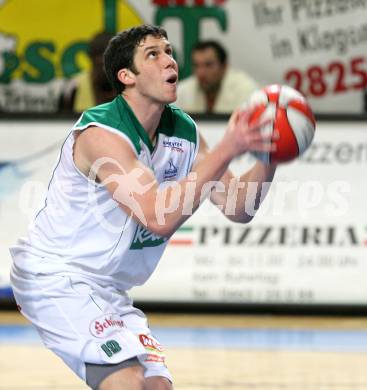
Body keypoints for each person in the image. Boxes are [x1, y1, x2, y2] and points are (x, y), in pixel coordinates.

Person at [10, 25, 277, 390]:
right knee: (127, 382)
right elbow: (157, 216)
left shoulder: (183, 131)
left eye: (169, 51)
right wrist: (230, 147)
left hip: (109, 291)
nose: (169, 59)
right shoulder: (101, 135)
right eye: (153, 54)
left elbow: (238, 206)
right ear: (127, 77)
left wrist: (270, 156)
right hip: (57, 277)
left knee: (155, 387)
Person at [176, 40, 258, 114]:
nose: (201, 73)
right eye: (196, 65)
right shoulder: (182, 91)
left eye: (208, 65)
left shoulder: (245, 90)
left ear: (224, 66)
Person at [60, 31, 116, 113]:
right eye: (97, 55)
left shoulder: (129, 86)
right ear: (90, 57)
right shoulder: (74, 86)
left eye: (107, 57)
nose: (101, 60)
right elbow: (60, 123)